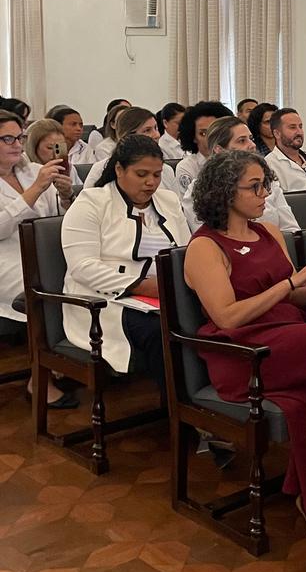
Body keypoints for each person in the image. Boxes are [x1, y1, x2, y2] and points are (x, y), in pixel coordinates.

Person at [184, 151, 306, 547]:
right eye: (255, 187)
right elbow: (227, 317)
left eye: (266, 185)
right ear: (225, 192)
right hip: (243, 351)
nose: (265, 194)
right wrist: (290, 283)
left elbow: (296, 300)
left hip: (288, 336)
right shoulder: (205, 246)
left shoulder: (269, 233)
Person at [61, 135, 190, 391]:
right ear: (119, 169)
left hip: (163, 293)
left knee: (210, 316)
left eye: (157, 174)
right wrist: (141, 286)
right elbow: (83, 267)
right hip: (103, 301)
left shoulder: (168, 200)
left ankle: (208, 398)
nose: (151, 182)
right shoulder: (91, 202)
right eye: (141, 174)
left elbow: (185, 252)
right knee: (160, 329)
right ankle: (177, 407)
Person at [0, 110, 76, 406]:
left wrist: (66, 196)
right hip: (6, 260)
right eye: (7, 139)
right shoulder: (36, 179)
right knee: (43, 287)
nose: (17, 144)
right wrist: (34, 190)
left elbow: (55, 219)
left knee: (78, 276)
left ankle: (62, 358)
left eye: (19, 137)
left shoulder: (32, 170)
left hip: (42, 253)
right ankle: (40, 377)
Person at [182, 116, 297, 233]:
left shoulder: (266, 181)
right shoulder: (199, 191)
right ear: (219, 150)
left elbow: (291, 229)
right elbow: (205, 236)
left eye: (251, 138)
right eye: (242, 141)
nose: (252, 145)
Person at [84, 108, 181, 196]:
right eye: (147, 130)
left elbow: (176, 204)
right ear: (128, 136)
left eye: (156, 128)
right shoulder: (99, 169)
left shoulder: (166, 170)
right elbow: (88, 203)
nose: (156, 135)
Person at [265, 109, 306, 192]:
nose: (299, 132)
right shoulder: (269, 165)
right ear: (277, 133)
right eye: (292, 127)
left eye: (300, 127)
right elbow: (275, 199)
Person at [174, 101, 232, 195]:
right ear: (193, 137)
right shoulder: (187, 167)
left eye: (215, 132)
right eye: (203, 133)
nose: (210, 137)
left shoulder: (235, 161)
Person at [24, 120, 77, 203]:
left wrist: (68, 195)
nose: (55, 153)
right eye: (50, 148)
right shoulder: (23, 170)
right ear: (33, 148)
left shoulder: (67, 168)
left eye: (60, 147)